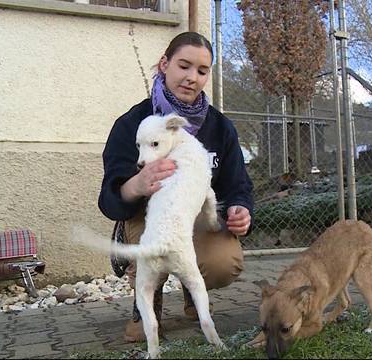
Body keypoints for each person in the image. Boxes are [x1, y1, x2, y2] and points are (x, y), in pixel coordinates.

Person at [98, 32, 254, 342]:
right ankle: (146, 303)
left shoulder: (220, 127)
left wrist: (241, 209)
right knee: (152, 245)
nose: (191, 78)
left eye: (201, 71)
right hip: (145, 218)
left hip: (193, 216)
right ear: (164, 64)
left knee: (224, 263)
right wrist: (137, 184)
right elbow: (109, 197)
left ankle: (191, 289)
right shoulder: (132, 123)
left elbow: (238, 184)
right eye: (184, 66)